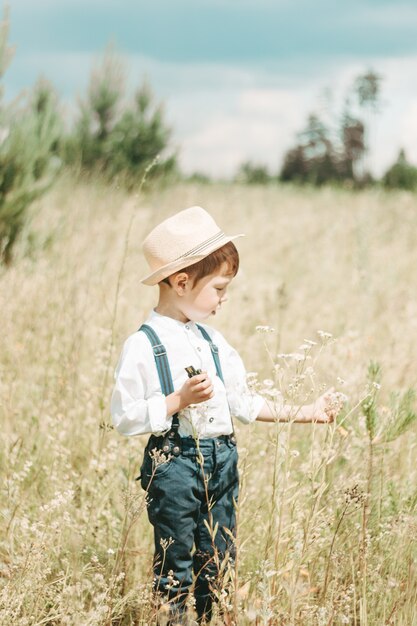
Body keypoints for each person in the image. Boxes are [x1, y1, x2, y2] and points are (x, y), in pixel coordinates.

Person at [111, 206, 337, 625]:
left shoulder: (214, 342)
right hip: (175, 465)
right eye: (218, 288)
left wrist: (310, 412)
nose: (224, 298)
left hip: (222, 463)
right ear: (181, 282)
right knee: (175, 566)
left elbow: (245, 403)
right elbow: (123, 416)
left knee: (218, 563)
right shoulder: (144, 345)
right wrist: (177, 400)